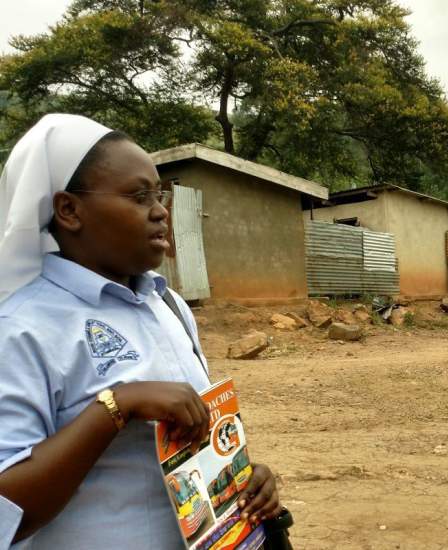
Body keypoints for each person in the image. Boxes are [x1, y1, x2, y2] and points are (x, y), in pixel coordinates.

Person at [0, 114, 281, 548]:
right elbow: (7, 513)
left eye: (160, 194)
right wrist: (117, 406)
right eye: (138, 196)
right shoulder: (22, 329)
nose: (160, 212)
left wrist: (242, 476)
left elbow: (193, 442)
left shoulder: (166, 304)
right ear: (69, 210)